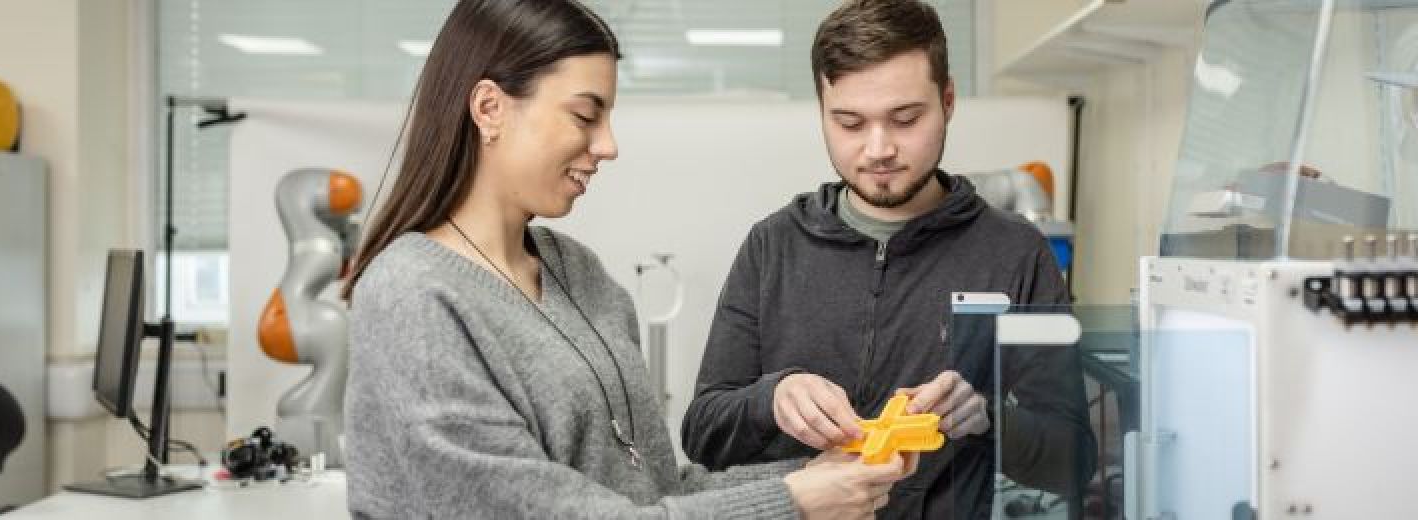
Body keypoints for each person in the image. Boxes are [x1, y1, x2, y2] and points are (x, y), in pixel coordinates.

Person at [339, 1, 915, 517]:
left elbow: (658, 493)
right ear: (490, 108)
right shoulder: (413, 294)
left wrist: (821, 474)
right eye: (586, 116)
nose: (608, 145)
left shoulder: (582, 277)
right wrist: (789, 502)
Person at [679, 1, 1096, 518]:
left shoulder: (1015, 253)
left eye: (904, 119)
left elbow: (1074, 458)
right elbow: (702, 433)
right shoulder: (772, 246)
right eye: (850, 122)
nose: (878, 149)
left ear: (947, 101)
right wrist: (772, 399)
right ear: (822, 111)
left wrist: (991, 419)